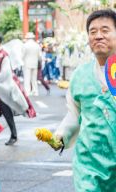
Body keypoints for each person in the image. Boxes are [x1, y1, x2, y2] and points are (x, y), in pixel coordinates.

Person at [52, 9, 116, 191]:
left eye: (105, 30)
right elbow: (74, 115)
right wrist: (60, 136)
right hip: (89, 165)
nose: (98, 36)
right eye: (93, 32)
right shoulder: (80, 75)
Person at [0, 32, 36, 146]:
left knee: (6, 112)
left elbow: (6, 73)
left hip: (2, 88)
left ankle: (13, 135)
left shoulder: (3, 54)